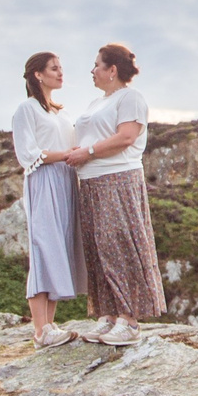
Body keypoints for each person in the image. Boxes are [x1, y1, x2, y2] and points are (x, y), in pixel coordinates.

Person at [65, 42, 163, 344]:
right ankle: (107, 315)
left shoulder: (131, 98)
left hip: (117, 178)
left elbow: (126, 137)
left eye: (97, 65)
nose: (92, 71)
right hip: (92, 181)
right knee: (97, 248)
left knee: (118, 244)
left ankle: (129, 320)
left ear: (112, 70)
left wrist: (89, 152)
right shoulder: (97, 103)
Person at [12, 52, 83, 347]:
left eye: (61, 68)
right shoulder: (26, 110)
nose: (61, 73)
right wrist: (66, 155)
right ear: (38, 75)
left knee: (59, 247)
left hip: (66, 180)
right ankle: (40, 331)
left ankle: (51, 326)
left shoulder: (61, 113)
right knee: (43, 247)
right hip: (43, 179)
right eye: (55, 68)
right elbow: (28, 153)